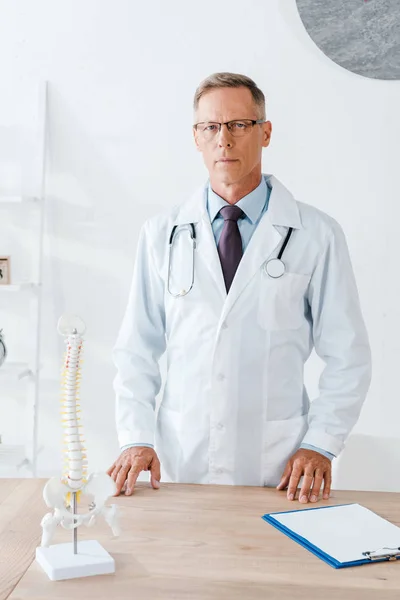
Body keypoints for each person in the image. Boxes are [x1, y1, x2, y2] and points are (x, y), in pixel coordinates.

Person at [107, 72, 372, 503]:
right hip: (180, 461)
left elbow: (348, 355)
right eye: (210, 127)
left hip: (278, 465)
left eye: (238, 125)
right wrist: (135, 436)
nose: (223, 139)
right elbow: (137, 350)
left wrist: (321, 442)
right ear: (196, 137)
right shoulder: (162, 233)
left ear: (264, 133)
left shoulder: (316, 235)